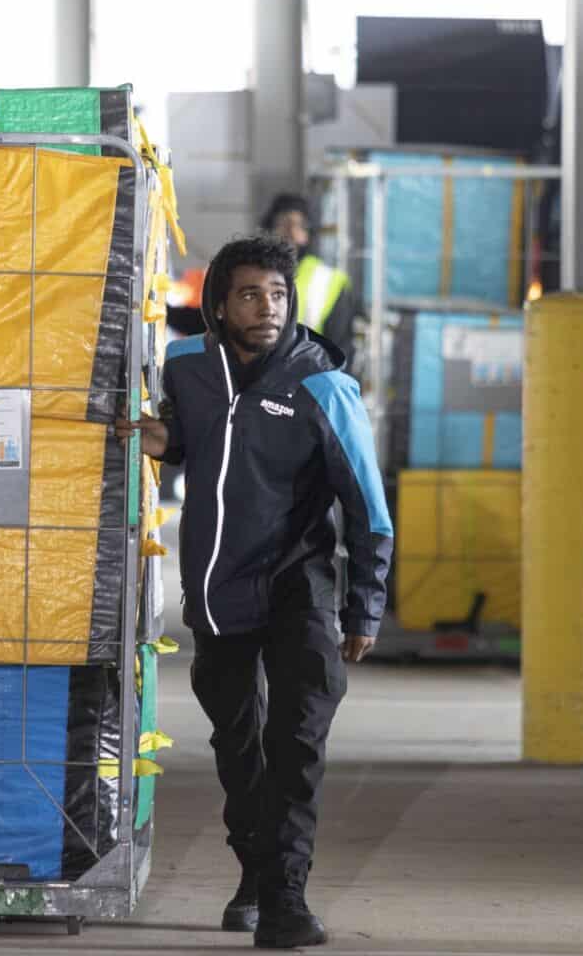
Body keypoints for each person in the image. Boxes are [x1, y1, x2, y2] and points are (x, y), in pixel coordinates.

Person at [116, 236, 392, 949]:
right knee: (240, 752)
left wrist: (364, 606)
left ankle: (285, 900)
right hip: (218, 589)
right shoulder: (187, 367)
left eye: (277, 294)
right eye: (249, 295)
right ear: (218, 305)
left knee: (295, 744)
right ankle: (256, 875)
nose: (267, 308)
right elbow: (192, 441)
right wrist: (161, 439)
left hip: (301, 587)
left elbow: (367, 506)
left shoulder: (322, 385)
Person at [261, 193, 358, 370]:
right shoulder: (251, 278)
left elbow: (341, 353)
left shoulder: (330, 281)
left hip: (312, 380)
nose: (290, 233)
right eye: (283, 224)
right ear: (269, 231)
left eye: (298, 225)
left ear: (308, 234)